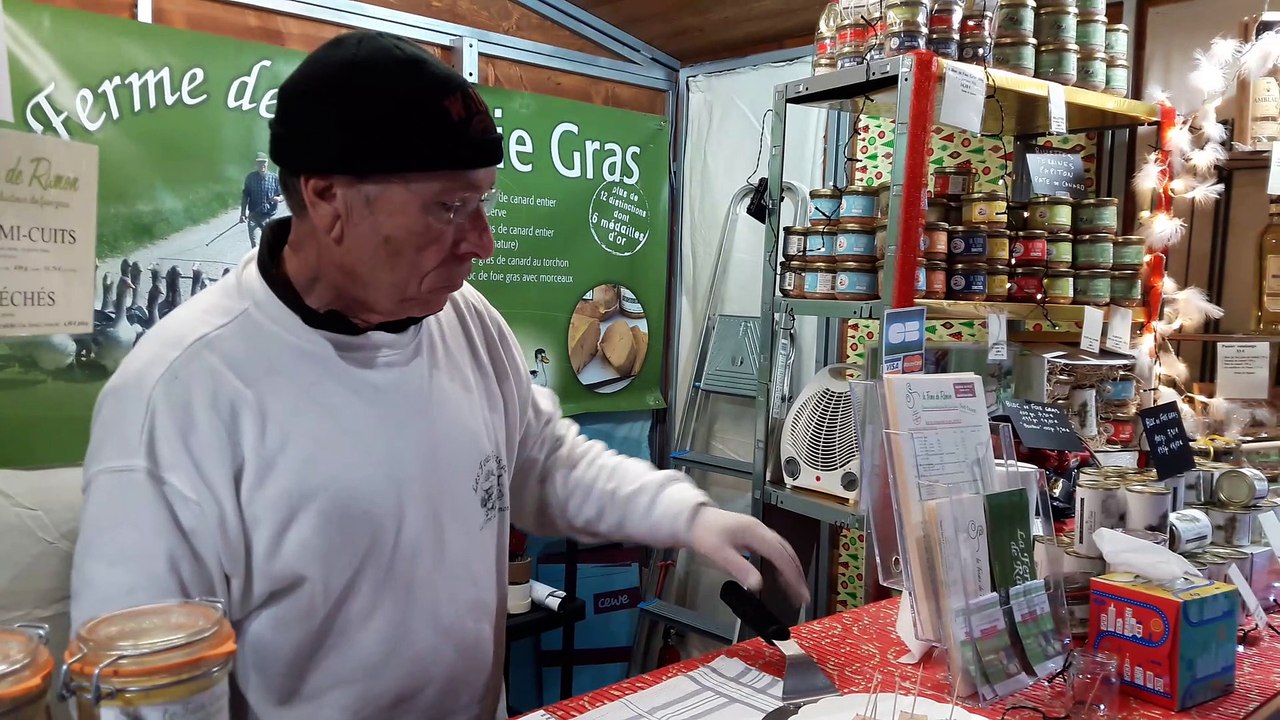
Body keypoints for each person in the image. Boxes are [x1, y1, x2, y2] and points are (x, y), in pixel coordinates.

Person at [71, 30, 809, 720]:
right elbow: (145, 684)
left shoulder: (465, 322)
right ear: (327, 198)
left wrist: (691, 517)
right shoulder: (180, 392)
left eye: (482, 202)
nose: (481, 243)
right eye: (450, 208)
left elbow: (543, 463)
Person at [239, 152, 282, 248]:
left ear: (267, 163)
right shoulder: (250, 178)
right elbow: (245, 196)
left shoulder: (275, 179)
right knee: (256, 247)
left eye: (263, 162)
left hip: (270, 218)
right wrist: (242, 214)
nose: (261, 165)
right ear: (256, 164)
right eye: (259, 162)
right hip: (254, 217)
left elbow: (283, 195)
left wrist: (279, 199)